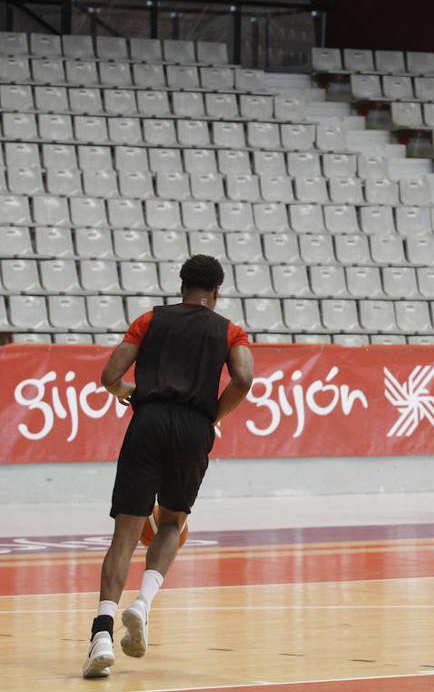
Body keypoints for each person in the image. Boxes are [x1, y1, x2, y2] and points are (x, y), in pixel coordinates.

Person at [82, 254, 254, 679]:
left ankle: (102, 636)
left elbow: (109, 375)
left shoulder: (149, 320)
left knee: (125, 531)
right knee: (173, 522)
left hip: (149, 420)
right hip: (194, 427)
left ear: (181, 287)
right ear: (216, 291)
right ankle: (142, 604)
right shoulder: (230, 330)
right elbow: (245, 378)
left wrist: (128, 390)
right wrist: (214, 414)